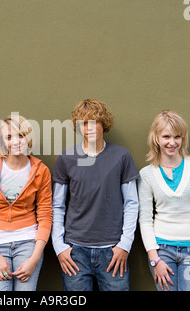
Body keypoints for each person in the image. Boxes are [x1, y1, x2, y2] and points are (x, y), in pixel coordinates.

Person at [51, 99, 140, 291]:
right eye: (83, 123)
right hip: (75, 251)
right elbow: (57, 205)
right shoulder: (66, 158)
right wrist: (59, 247)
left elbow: (132, 203)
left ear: (103, 124)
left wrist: (125, 245)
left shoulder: (121, 156)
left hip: (113, 251)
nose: (88, 128)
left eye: (94, 122)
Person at [138, 110, 190, 291]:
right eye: (166, 136)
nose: (172, 142)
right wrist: (155, 259)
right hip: (162, 250)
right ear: (156, 138)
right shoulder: (146, 174)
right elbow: (145, 219)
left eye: (178, 136)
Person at [0, 114, 53, 291]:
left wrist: (34, 259)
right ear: (1, 141)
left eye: (21, 135)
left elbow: (45, 217)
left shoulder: (41, 171)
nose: (16, 141)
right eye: (9, 137)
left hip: (28, 245)